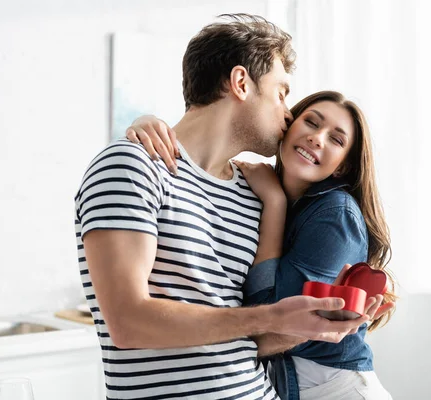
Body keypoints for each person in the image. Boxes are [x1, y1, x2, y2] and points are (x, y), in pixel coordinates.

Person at [75, 15, 380, 400]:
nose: (288, 114)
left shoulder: (253, 192)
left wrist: (314, 327)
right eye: (281, 92)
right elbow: (128, 323)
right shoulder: (132, 165)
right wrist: (273, 318)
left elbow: (250, 336)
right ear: (240, 83)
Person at [126, 91, 398, 399]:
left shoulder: (335, 213)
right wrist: (147, 124)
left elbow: (276, 318)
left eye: (336, 140)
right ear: (287, 127)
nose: (317, 138)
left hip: (336, 389)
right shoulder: (255, 187)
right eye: (311, 122)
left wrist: (275, 203)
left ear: (341, 168)